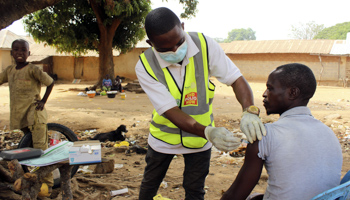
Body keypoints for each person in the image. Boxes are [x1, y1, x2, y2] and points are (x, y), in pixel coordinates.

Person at [135, 7, 266, 200]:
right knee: (149, 186)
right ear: (150, 43)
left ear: (183, 27)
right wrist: (209, 131)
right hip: (163, 139)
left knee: (195, 190)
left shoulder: (205, 45)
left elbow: (236, 78)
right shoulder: (145, 66)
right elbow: (170, 111)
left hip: (199, 141)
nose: (175, 50)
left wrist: (249, 111)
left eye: (179, 42)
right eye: (164, 48)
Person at [221, 63, 343, 200]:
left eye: (270, 88)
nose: (264, 94)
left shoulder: (264, 135)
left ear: (292, 93)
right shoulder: (329, 134)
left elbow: (234, 195)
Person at [0, 39, 55, 197]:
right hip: (21, 116)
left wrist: (43, 101)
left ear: (28, 53)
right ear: (11, 53)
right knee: (31, 149)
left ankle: (48, 187)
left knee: (41, 150)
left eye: (23, 50)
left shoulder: (33, 69)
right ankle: (33, 179)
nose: (19, 53)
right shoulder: (10, 70)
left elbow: (50, 83)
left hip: (35, 115)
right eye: (16, 50)